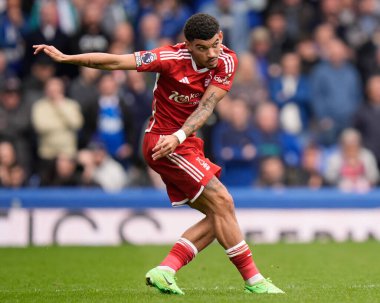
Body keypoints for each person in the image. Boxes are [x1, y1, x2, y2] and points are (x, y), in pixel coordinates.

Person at [33, 13, 284, 295]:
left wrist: (179, 136)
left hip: (182, 141)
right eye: (202, 47)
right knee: (224, 201)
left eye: (215, 44)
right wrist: (68, 59)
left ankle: (166, 270)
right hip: (160, 142)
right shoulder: (168, 58)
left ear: (221, 38)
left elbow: (206, 106)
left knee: (219, 215)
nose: (211, 53)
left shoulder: (227, 61)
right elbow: (116, 61)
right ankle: (255, 281)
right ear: (188, 45)